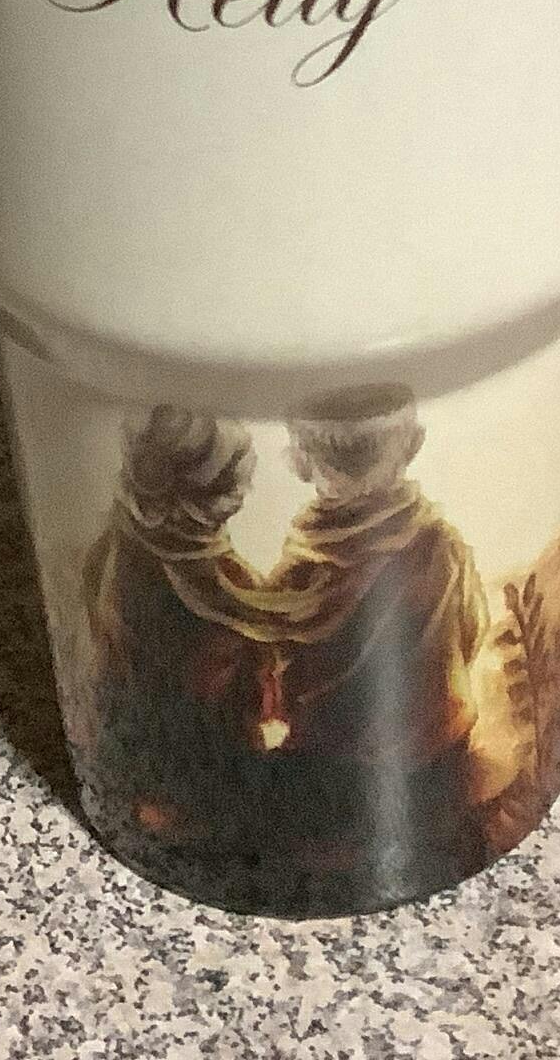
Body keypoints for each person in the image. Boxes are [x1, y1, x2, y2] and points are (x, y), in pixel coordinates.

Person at [244, 385, 491, 901]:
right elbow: (472, 629)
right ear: (413, 445)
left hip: (332, 774)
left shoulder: (302, 572)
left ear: (301, 462)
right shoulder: (443, 545)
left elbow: (274, 678)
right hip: (439, 758)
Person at [77, 405, 266, 860]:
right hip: (196, 776)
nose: (239, 496)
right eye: (230, 485)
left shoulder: (113, 549)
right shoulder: (225, 586)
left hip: (132, 757)